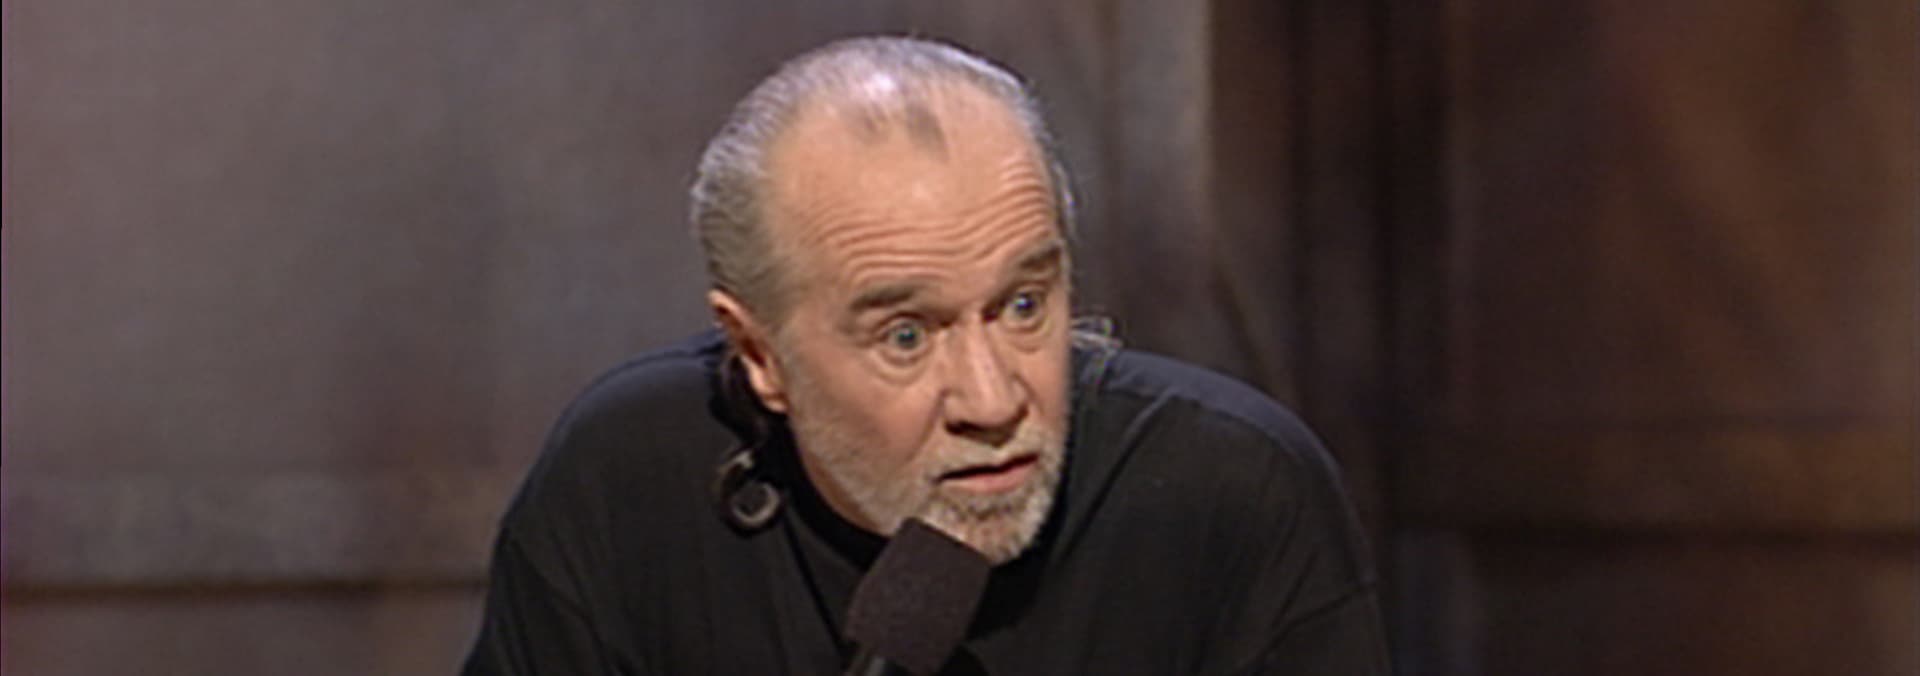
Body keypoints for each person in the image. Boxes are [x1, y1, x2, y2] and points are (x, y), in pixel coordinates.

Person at [462, 36, 1388, 675]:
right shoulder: (626, 482)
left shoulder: (1232, 492)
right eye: (906, 335)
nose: (993, 401)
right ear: (760, 354)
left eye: (1023, 306)